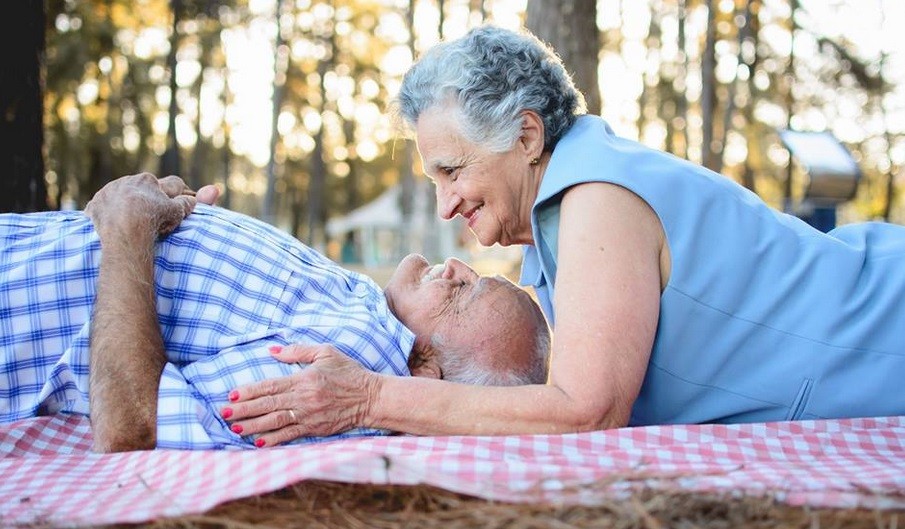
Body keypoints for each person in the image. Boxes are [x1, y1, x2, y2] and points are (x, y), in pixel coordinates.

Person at [219, 25, 905, 445]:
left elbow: (585, 409)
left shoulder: (596, 195)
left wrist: (369, 398)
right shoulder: (551, 228)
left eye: (452, 170)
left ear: (525, 134)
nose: (445, 204)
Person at [0, 173, 549, 452]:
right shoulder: (361, 316)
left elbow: (132, 423)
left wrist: (126, 229)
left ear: (429, 375)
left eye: (463, 294)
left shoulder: (353, 363)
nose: (455, 264)